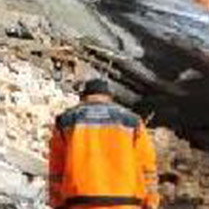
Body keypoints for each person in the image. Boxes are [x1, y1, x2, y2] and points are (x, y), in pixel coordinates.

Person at [48, 79, 159, 209]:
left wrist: (57, 202)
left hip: (80, 202)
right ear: (109, 97)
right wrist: (151, 201)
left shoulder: (66, 121)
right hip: (126, 202)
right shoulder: (132, 121)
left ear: (83, 97)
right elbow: (146, 165)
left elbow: (57, 168)